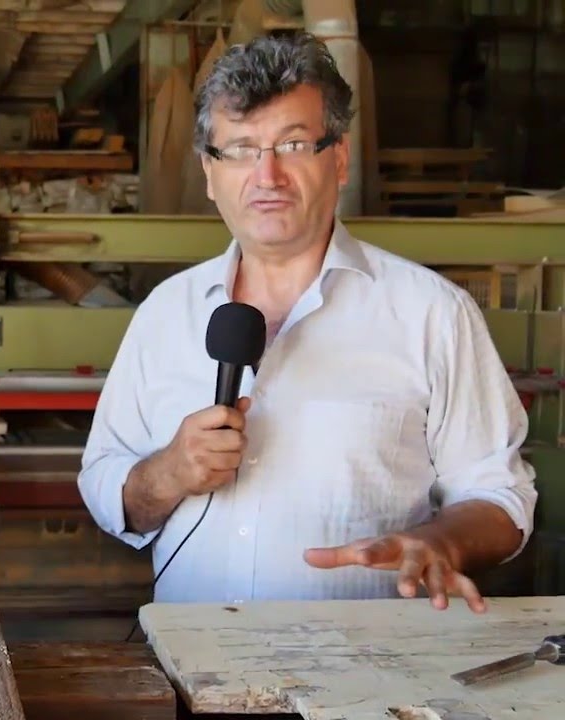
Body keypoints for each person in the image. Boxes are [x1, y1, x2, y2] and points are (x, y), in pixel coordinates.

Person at [78, 33, 536, 614]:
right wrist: (167, 474)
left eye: (293, 144)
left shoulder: (432, 314)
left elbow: (502, 495)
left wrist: (440, 541)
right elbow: (105, 487)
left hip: (366, 684)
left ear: (338, 159)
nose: (267, 175)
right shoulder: (165, 313)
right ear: (209, 173)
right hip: (192, 674)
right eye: (240, 150)